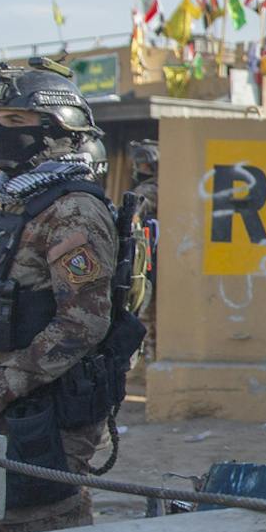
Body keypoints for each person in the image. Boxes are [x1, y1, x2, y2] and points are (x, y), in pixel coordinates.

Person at [0, 60, 128, 532]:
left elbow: (82, 324)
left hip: (42, 409)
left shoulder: (73, 212)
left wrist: (0, 389)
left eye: (16, 120)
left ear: (55, 129)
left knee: (39, 525)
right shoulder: (12, 205)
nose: (1, 130)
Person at [127, 140, 159, 364]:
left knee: (145, 314)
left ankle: (149, 363)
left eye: (143, 164)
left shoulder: (148, 190)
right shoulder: (170, 185)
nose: (140, 168)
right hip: (156, 259)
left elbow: (132, 217)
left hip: (149, 261)